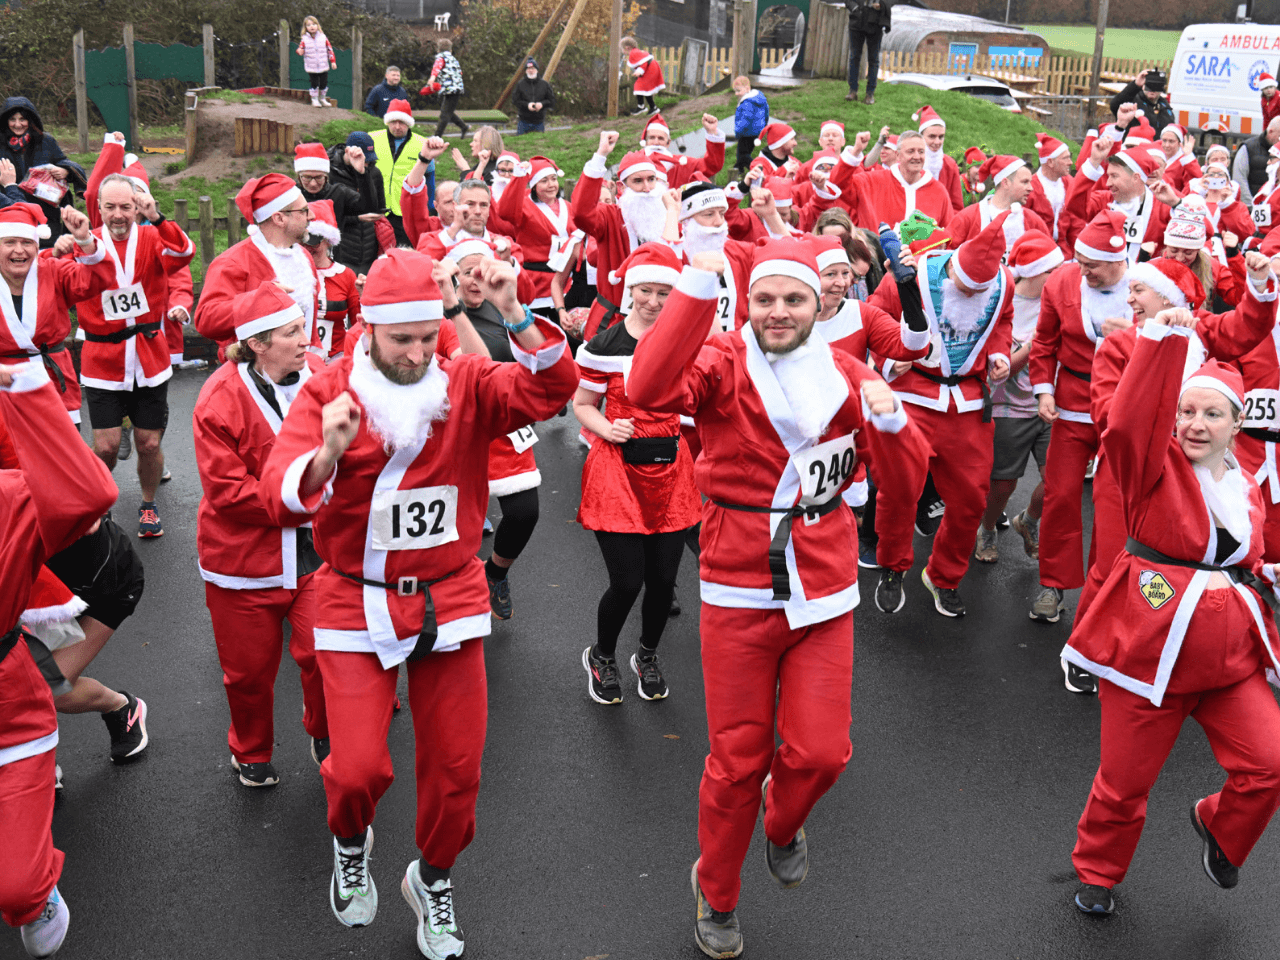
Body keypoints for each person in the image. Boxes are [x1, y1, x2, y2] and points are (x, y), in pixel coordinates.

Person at [261, 246, 576, 956]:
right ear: (367, 328)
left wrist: (516, 313)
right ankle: (350, 841)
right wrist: (327, 456)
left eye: (425, 336)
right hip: (352, 598)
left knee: (459, 772)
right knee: (359, 768)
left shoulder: (463, 378)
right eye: (399, 338)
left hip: (451, 596)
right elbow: (275, 495)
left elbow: (554, 389)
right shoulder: (329, 392)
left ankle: (431, 878)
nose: (414, 352)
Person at [626, 238, 928, 958]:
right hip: (738, 585)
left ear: (820, 302)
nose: (779, 312)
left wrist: (889, 421)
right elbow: (647, 390)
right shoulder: (722, 361)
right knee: (737, 759)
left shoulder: (850, 372)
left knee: (823, 753)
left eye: (793, 299)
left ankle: (784, 820)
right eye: (764, 299)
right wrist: (697, 292)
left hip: (823, 584)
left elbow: (907, 475)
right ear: (746, 303)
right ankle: (718, 894)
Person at [1063, 308, 1280, 917]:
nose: (1195, 424)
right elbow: (1129, 423)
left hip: (1228, 661)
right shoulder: (1150, 469)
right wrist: (1160, 340)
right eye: (1186, 411)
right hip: (1146, 657)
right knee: (1125, 785)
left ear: (1239, 423)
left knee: (1270, 766)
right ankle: (1098, 874)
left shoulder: (1246, 482)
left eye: (1212, 413)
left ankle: (1219, 826)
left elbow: (1241, 559)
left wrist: (1265, 571)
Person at [0, 359, 117, 960]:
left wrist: (21, 376)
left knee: (18, 891)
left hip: (10, 712)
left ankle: (35, 886)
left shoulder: (7, 499)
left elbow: (91, 492)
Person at [193, 282, 330, 788]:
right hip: (243, 563)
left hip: (316, 557)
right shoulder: (217, 400)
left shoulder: (320, 374)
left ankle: (324, 729)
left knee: (324, 653)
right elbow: (229, 493)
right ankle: (249, 748)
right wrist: (307, 499)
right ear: (257, 343)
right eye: (293, 331)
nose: (306, 338)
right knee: (248, 676)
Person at [868, 211, 1014, 617]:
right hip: (913, 394)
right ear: (952, 262)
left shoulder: (1003, 285)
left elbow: (1002, 322)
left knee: (970, 500)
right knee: (899, 490)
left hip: (966, 403)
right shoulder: (909, 274)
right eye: (964, 288)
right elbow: (875, 317)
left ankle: (944, 576)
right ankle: (893, 565)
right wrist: (886, 359)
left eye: (978, 293)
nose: (970, 297)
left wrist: (999, 355)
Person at [574, 243, 699, 703]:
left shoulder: (687, 341)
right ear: (630, 290)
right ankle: (602, 655)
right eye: (645, 290)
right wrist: (609, 427)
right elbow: (582, 405)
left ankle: (646, 654)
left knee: (664, 584)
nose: (653, 301)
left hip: (671, 472)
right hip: (617, 474)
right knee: (627, 581)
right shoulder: (603, 346)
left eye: (664, 292)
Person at [73, 172, 194, 539]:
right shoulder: (86, 242)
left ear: (138, 207)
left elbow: (184, 253)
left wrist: (158, 218)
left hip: (148, 357)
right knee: (106, 447)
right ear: (98, 209)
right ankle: (96, 504)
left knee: (150, 443)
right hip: (103, 360)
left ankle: (147, 503)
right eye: (110, 207)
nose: (118, 215)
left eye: (126, 206)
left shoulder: (155, 236)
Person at [1026, 212, 1132, 626]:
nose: (1082, 271)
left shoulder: (1144, 286)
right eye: (1080, 262)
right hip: (1070, 400)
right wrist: (1044, 390)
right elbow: (1045, 341)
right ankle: (1053, 585)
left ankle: (1101, 589)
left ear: (1117, 260)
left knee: (1112, 505)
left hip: (1119, 407)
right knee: (1062, 494)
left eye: (1092, 265)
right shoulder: (1063, 280)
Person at [437, 238, 549, 618]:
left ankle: (496, 573)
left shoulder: (504, 308)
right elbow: (472, 363)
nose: (474, 279)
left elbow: (537, 358)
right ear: (453, 277)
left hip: (504, 424)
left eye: (480, 271)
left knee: (524, 512)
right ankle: (448, 590)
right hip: (454, 426)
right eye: (466, 271)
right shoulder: (434, 314)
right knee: (453, 520)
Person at [974, 231, 1063, 565]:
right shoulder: (1000, 302)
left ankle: (1028, 520)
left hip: (1052, 404)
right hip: (1008, 405)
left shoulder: (1061, 301)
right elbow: (1002, 369)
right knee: (1003, 485)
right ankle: (987, 528)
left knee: (1058, 482)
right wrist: (1036, 342)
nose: (1061, 277)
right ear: (1035, 272)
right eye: (1053, 272)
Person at [194, 174, 321, 355]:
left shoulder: (304, 257)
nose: (312, 216)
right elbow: (206, 320)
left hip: (303, 368)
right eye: (303, 211)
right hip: (253, 374)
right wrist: (258, 300)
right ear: (279, 219)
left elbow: (310, 322)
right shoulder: (232, 262)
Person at [1064, 138, 1178, 264]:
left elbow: (1187, 244)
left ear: (1135, 177)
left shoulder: (1165, 205)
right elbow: (1074, 205)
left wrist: (1177, 204)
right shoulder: (1105, 200)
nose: (1108, 183)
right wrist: (1094, 162)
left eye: (1114, 176)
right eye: (1108, 176)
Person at [495, 154, 576, 316]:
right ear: (533, 186)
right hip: (536, 282)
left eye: (553, 179)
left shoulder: (569, 207)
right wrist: (519, 177)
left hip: (566, 281)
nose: (551, 185)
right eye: (544, 181)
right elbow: (504, 211)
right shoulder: (523, 206)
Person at [849, 129, 954, 229]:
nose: (917, 156)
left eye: (921, 152)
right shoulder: (873, 181)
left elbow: (949, 232)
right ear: (898, 155)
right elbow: (840, 186)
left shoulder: (939, 191)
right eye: (911, 151)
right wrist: (855, 152)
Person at [945, 155, 1050, 251]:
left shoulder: (1032, 220)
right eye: (1025, 182)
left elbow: (1050, 257)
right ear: (1005, 183)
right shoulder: (968, 217)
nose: (1031, 188)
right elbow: (944, 254)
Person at [304, 201, 361, 361]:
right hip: (297, 361)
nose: (307, 246)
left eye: (313, 240)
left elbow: (360, 322)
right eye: (302, 238)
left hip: (336, 358)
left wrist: (365, 299)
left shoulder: (345, 275)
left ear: (328, 240)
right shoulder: (288, 272)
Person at [368, 101, 427, 247]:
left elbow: (430, 177)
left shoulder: (421, 143)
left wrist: (429, 206)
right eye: (393, 122)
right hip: (376, 208)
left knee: (404, 253)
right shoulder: (372, 138)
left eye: (402, 122)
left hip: (405, 211)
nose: (397, 127)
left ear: (409, 123)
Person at [327, 132, 386, 276]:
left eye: (368, 160)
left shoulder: (373, 172)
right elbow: (327, 215)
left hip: (369, 249)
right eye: (362, 159)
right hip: (342, 249)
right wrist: (357, 218)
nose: (365, 164)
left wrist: (379, 213)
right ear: (348, 152)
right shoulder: (330, 173)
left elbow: (380, 205)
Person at [295, 143, 369, 249]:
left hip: (331, 258)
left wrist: (362, 174)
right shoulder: (290, 195)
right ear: (298, 176)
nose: (313, 184)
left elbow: (367, 207)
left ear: (326, 176)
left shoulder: (339, 192)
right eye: (306, 177)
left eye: (319, 177)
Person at [638, 113, 726, 189]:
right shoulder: (633, 164)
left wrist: (712, 132)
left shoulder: (681, 163)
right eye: (652, 138)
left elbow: (711, 165)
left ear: (668, 143)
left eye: (661, 138)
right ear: (645, 142)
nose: (656, 142)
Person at [1026, 133, 1073, 256]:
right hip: (1038, 253)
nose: (1070, 162)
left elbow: (1076, 221)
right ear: (1050, 162)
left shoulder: (1069, 183)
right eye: (1066, 158)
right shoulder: (1030, 187)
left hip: (1066, 253)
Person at [913, 106, 963, 212]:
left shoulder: (950, 165)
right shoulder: (909, 161)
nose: (937, 142)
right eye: (932, 136)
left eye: (941, 137)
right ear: (921, 136)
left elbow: (956, 206)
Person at [843, 0, 891, 104]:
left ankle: (870, 94)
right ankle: (852, 91)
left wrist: (882, 5)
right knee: (854, 57)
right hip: (857, 21)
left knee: (873, 60)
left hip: (875, 23)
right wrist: (855, 8)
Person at [422, 39, 468, 139]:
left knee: (444, 115)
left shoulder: (440, 58)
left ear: (438, 50)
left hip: (450, 90)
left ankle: (436, 137)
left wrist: (432, 78)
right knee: (447, 110)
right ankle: (463, 126)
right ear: (451, 50)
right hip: (455, 88)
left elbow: (437, 68)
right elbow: (459, 73)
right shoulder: (454, 59)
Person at [1108, 66, 1175, 133]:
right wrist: (1135, 84)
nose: (1152, 90)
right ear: (1143, 85)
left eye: (1157, 86)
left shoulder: (1165, 107)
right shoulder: (1133, 101)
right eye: (1149, 85)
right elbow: (1114, 105)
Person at [1232, 117, 1280, 201]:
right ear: (1271, 131)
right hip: (1253, 206)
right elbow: (1239, 179)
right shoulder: (1248, 148)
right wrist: (1251, 206)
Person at [297, 16, 337, 108]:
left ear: (317, 25)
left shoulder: (323, 37)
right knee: (314, 83)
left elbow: (329, 49)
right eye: (309, 25)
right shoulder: (304, 39)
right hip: (311, 66)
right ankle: (314, 99)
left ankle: (322, 98)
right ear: (305, 27)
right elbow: (300, 49)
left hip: (323, 65)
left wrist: (333, 61)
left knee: (324, 82)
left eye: (314, 24)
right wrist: (299, 51)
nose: (312, 26)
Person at [732, 76, 768, 175]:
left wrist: (738, 131)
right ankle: (738, 170)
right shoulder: (759, 98)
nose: (736, 93)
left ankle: (758, 171)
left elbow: (746, 119)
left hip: (747, 132)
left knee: (743, 155)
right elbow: (766, 113)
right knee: (741, 153)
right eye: (735, 91)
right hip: (756, 131)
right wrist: (765, 125)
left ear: (747, 89)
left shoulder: (748, 102)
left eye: (738, 90)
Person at [620, 37, 664, 116]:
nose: (622, 50)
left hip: (650, 69)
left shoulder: (634, 53)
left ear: (627, 47)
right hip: (650, 68)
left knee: (639, 86)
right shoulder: (635, 52)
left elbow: (644, 61)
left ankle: (641, 107)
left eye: (622, 48)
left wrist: (640, 71)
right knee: (644, 88)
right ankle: (653, 107)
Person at [513, 59, 553, 135]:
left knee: (539, 144)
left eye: (533, 68)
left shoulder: (544, 85)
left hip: (539, 122)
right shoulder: (520, 84)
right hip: (523, 122)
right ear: (525, 71)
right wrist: (527, 105)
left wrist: (542, 104)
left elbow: (551, 101)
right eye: (528, 69)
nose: (531, 70)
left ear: (537, 70)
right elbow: (515, 101)